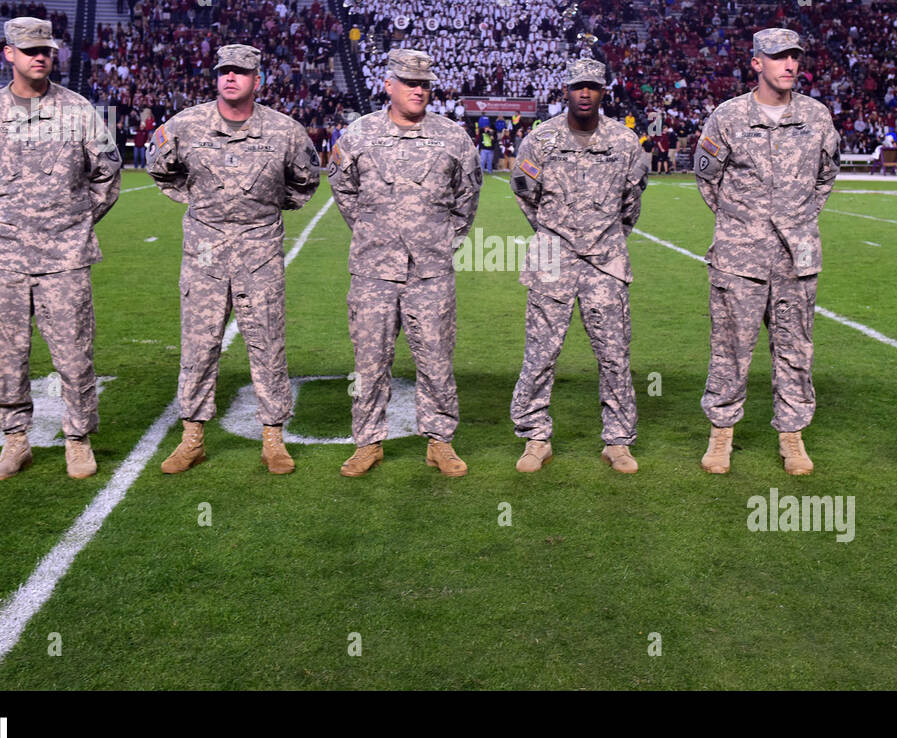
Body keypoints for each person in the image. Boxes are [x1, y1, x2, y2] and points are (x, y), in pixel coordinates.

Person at [0, 16, 122, 481]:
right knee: (5, 355)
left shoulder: (79, 110)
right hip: (2, 256)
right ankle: (14, 441)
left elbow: (108, 173)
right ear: (8, 53)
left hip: (64, 257)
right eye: (29, 49)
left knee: (73, 353)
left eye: (46, 49)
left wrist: (76, 222)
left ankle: (77, 439)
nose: (39, 56)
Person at [148, 44, 320, 475]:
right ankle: (192, 438)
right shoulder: (186, 125)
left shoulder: (285, 130)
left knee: (267, 345)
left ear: (256, 81)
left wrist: (262, 210)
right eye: (224, 71)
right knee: (199, 346)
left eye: (241, 73)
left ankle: (273, 438)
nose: (231, 78)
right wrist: (200, 203)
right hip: (203, 252)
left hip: (259, 252)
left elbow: (304, 183)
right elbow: (160, 168)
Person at [326, 48, 481, 477]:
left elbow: (467, 197)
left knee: (435, 359)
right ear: (388, 85)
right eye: (409, 82)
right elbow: (343, 191)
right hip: (374, 270)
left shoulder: (453, 137)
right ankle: (368, 443)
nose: (418, 90)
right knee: (370, 361)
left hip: (431, 272)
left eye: (425, 84)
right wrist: (373, 233)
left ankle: (440, 442)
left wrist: (439, 241)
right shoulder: (358, 135)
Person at [694, 28, 840, 476]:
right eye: (778, 57)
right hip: (740, 257)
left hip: (797, 256)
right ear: (756, 62)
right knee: (730, 349)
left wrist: (796, 221)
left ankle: (791, 437)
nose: (789, 65)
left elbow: (825, 177)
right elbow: (707, 179)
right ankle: (721, 434)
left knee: (795, 349)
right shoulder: (728, 116)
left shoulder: (817, 117)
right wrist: (745, 225)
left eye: (794, 56)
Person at [509, 58, 649, 474]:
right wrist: (555, 234)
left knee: (614, 355)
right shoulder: (541, 140)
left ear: (604, 92)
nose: (585, 93)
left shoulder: (625, 142)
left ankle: (618, 441)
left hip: (606, 262)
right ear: (565, 91)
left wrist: (603, 239)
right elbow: (526, 195)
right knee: (540, 353)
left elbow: (631, 204)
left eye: (592, 87)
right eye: (577, 87)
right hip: (552, 259)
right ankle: (536, 438)